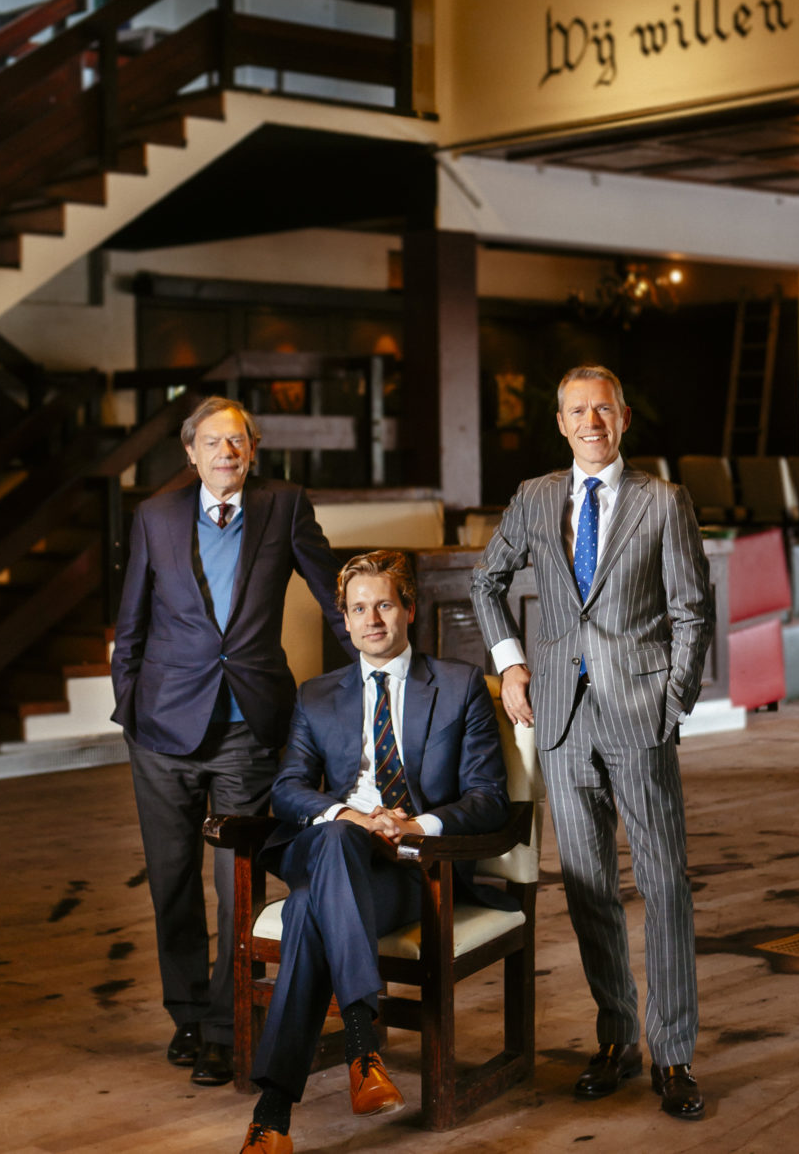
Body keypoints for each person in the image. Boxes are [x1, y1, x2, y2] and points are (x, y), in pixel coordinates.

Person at [471, 364, 714, 1121]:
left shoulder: (663, 501)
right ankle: (617, 1038)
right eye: (576, 410)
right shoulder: (535, 497)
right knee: (586, 887)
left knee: (664, 883)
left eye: (602, 409)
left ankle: (672, 1052)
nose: (590, 422)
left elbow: (692, 610)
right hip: (561, 721)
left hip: (641, 714)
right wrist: (511, 665)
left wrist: (672, 700)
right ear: (560, 422)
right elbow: (486, 582)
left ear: (623, 418)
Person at [111, 395, 354, 1086]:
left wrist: (384, 671)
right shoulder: (155, 516)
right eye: (213, 442)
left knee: (237, 885)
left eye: (238, 441)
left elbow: (334, 598)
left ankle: (225, 1026)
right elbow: (131, 623)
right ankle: (188, 1015)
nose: (226, 452)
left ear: (253, 450)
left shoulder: (285, 506)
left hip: (249, 728)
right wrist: (131, 708)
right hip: (162, 730)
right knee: (172, 883)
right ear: (190, 453)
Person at [240, 549, 515, 1154]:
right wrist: (353, 817)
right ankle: (363, 1047)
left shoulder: (460, 685)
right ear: (343, 619)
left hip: (414, 869)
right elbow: (287, 788)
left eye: (384, 605)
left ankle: (273, 1116)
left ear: (409, 609)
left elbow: (489, 798)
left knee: (308, 911)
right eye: (358, 608)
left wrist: (413, 824)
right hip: (338, 848)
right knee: (338, 837)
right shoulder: (317, 696)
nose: (371, 619)